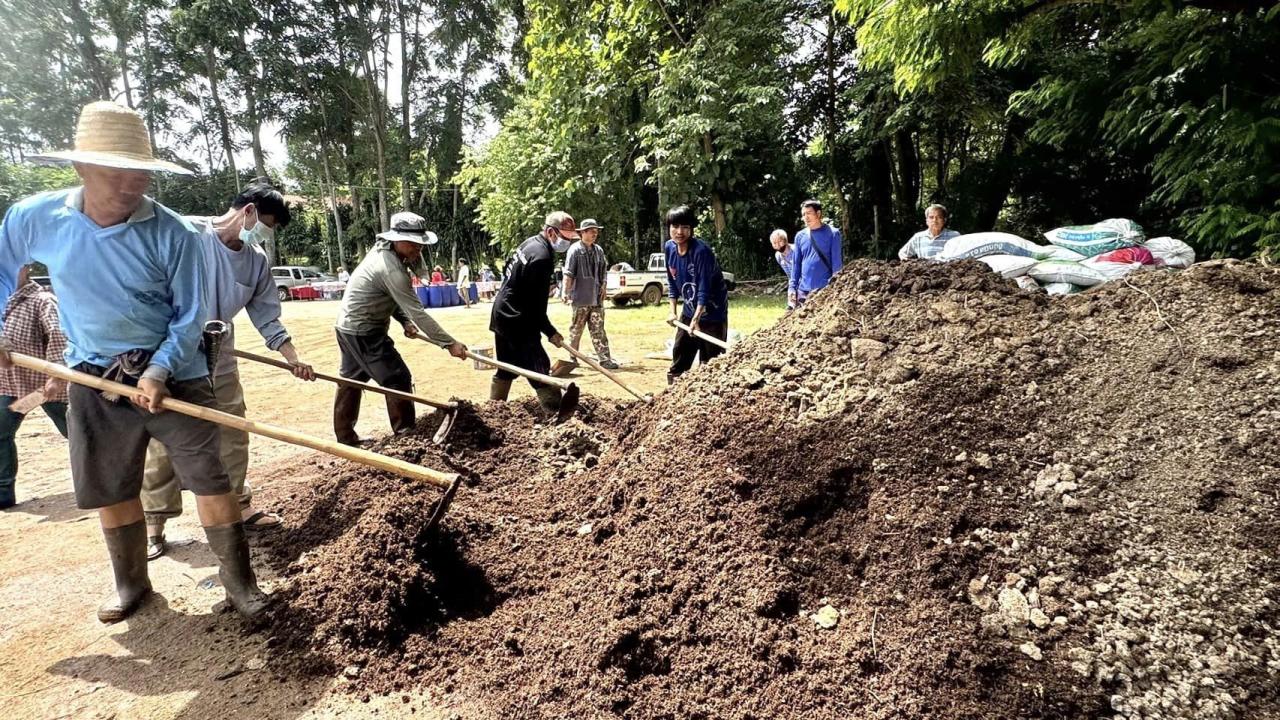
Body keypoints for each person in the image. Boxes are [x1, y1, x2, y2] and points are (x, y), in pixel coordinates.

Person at [0, 101, 268, 622]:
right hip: (91, 372)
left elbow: (192, 314)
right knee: (111, 485)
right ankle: (131, 585)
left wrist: (159, 368)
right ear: (79, 168)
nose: (128, 186)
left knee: (211, 479)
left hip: (178, 373)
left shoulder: (176, 233)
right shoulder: (35, 219)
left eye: (139, 174)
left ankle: (240, 585)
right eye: (114, 173)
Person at [141, 182, 317, 561]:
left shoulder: (255, 262)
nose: (265, 235)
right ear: (248, 211)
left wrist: (292, 357)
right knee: (163, 444)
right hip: (169, 360)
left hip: (220, 359)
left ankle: (238, 506)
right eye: (266, 224)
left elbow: (268, 317)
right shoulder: (186, 234)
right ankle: (153, 525)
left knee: (233, 436)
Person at [333, 211, 467, 446]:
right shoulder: (390, 268)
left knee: (351, 381)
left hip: (348, 327)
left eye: (421, 243)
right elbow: (419, 312)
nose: (419, 249)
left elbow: (390, 298)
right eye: (415, 244)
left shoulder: (387, 253)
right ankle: (406, 437)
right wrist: (449, 343)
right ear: (397, 239)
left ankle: (345, 437)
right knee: (396, 378)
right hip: (364, 331)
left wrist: (404, 321)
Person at [489, 211, 573, 412]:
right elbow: (536, 309)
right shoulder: (542, 258)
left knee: (506, 367)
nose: (567, 243)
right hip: (518, 319)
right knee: (539, 369)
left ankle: (493, 409)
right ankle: (558, 416)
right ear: (551, 232)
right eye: (565, 238)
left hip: (502, 313)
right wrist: (550, 332)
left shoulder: (530, 243)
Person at [0, 265, 69, 509]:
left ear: (26, 268)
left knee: (77, 432)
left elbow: (59, 337)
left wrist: (56, 376)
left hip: (44, 387)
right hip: (8, 384)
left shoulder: (43, 301)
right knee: (0, 433)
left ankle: (112, 479)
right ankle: (3, 492)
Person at [664, 205, 729, 385]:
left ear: (691, 229)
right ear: (669, 228)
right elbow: (672, 280)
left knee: (710, 365)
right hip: (689, 310)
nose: (679, 232)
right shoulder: (669, 248)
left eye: (685, 227)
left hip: (712, 313)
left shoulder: (701, 251)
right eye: (675, 227)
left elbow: (704, 288)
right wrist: (672, 311)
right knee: (680, 355)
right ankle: (673, 397)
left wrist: (697, 319)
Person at [562, 218, 618, 369]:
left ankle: (605, 359)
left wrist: (604, 286)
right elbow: (568, 273)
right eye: (592, 231)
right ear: (583, 233)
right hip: (580, 298)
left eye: (596, 231)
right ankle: (573, 358)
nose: (595, 234)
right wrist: (565, 292)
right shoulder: (574, 250)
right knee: (576, 330)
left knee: (598, 330)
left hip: (596, 299)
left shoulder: (598, 250)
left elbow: (603, 271)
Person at [790, 199, 843, 307]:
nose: (806, 217)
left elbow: (837, 265)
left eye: (809, 213)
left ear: (818, 214)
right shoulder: (800, 236)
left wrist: (836, 289)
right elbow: (796, 265)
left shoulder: (833, 234)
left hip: (824, 291)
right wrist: (792, 288)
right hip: (803, 292)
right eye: (803, 214)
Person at [770, 229, 795, 311]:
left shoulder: (796, 251)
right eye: (774, 243)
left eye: (779, 241)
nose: (777, 245)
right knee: (791, 307)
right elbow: (789, 275)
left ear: (785, 240)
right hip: (793, 282)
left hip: (805, 282)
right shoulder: (778, 256)